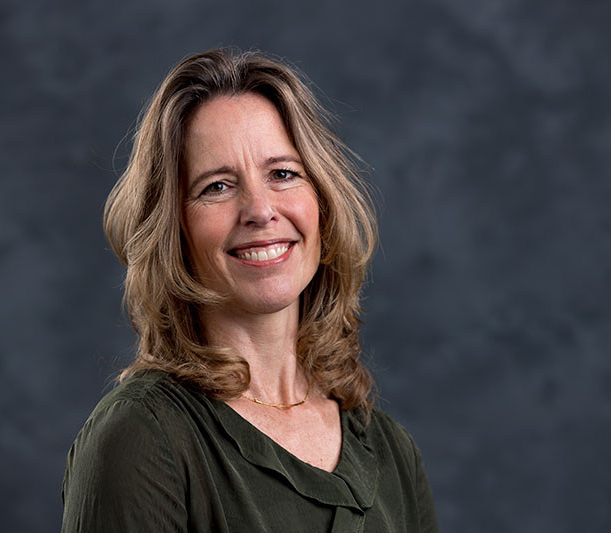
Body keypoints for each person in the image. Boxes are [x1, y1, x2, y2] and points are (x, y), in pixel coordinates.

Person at [61, 48, 438, 532]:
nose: (260, 210)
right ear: (172, 230)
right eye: (217, 186)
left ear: (321, 202)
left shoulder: (392, 452)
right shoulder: (141, 438)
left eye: (283, 174)